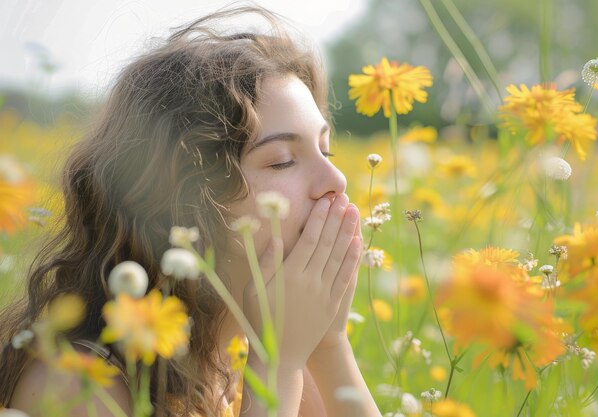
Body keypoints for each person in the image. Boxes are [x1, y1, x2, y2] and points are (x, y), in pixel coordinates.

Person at [0, 5, 383, 417]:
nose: (336, 180)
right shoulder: (75, 382)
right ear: (185, 201)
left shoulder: (259, 351)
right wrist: (276, 366)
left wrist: (329, 345)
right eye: (281, 160)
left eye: (326, 150)